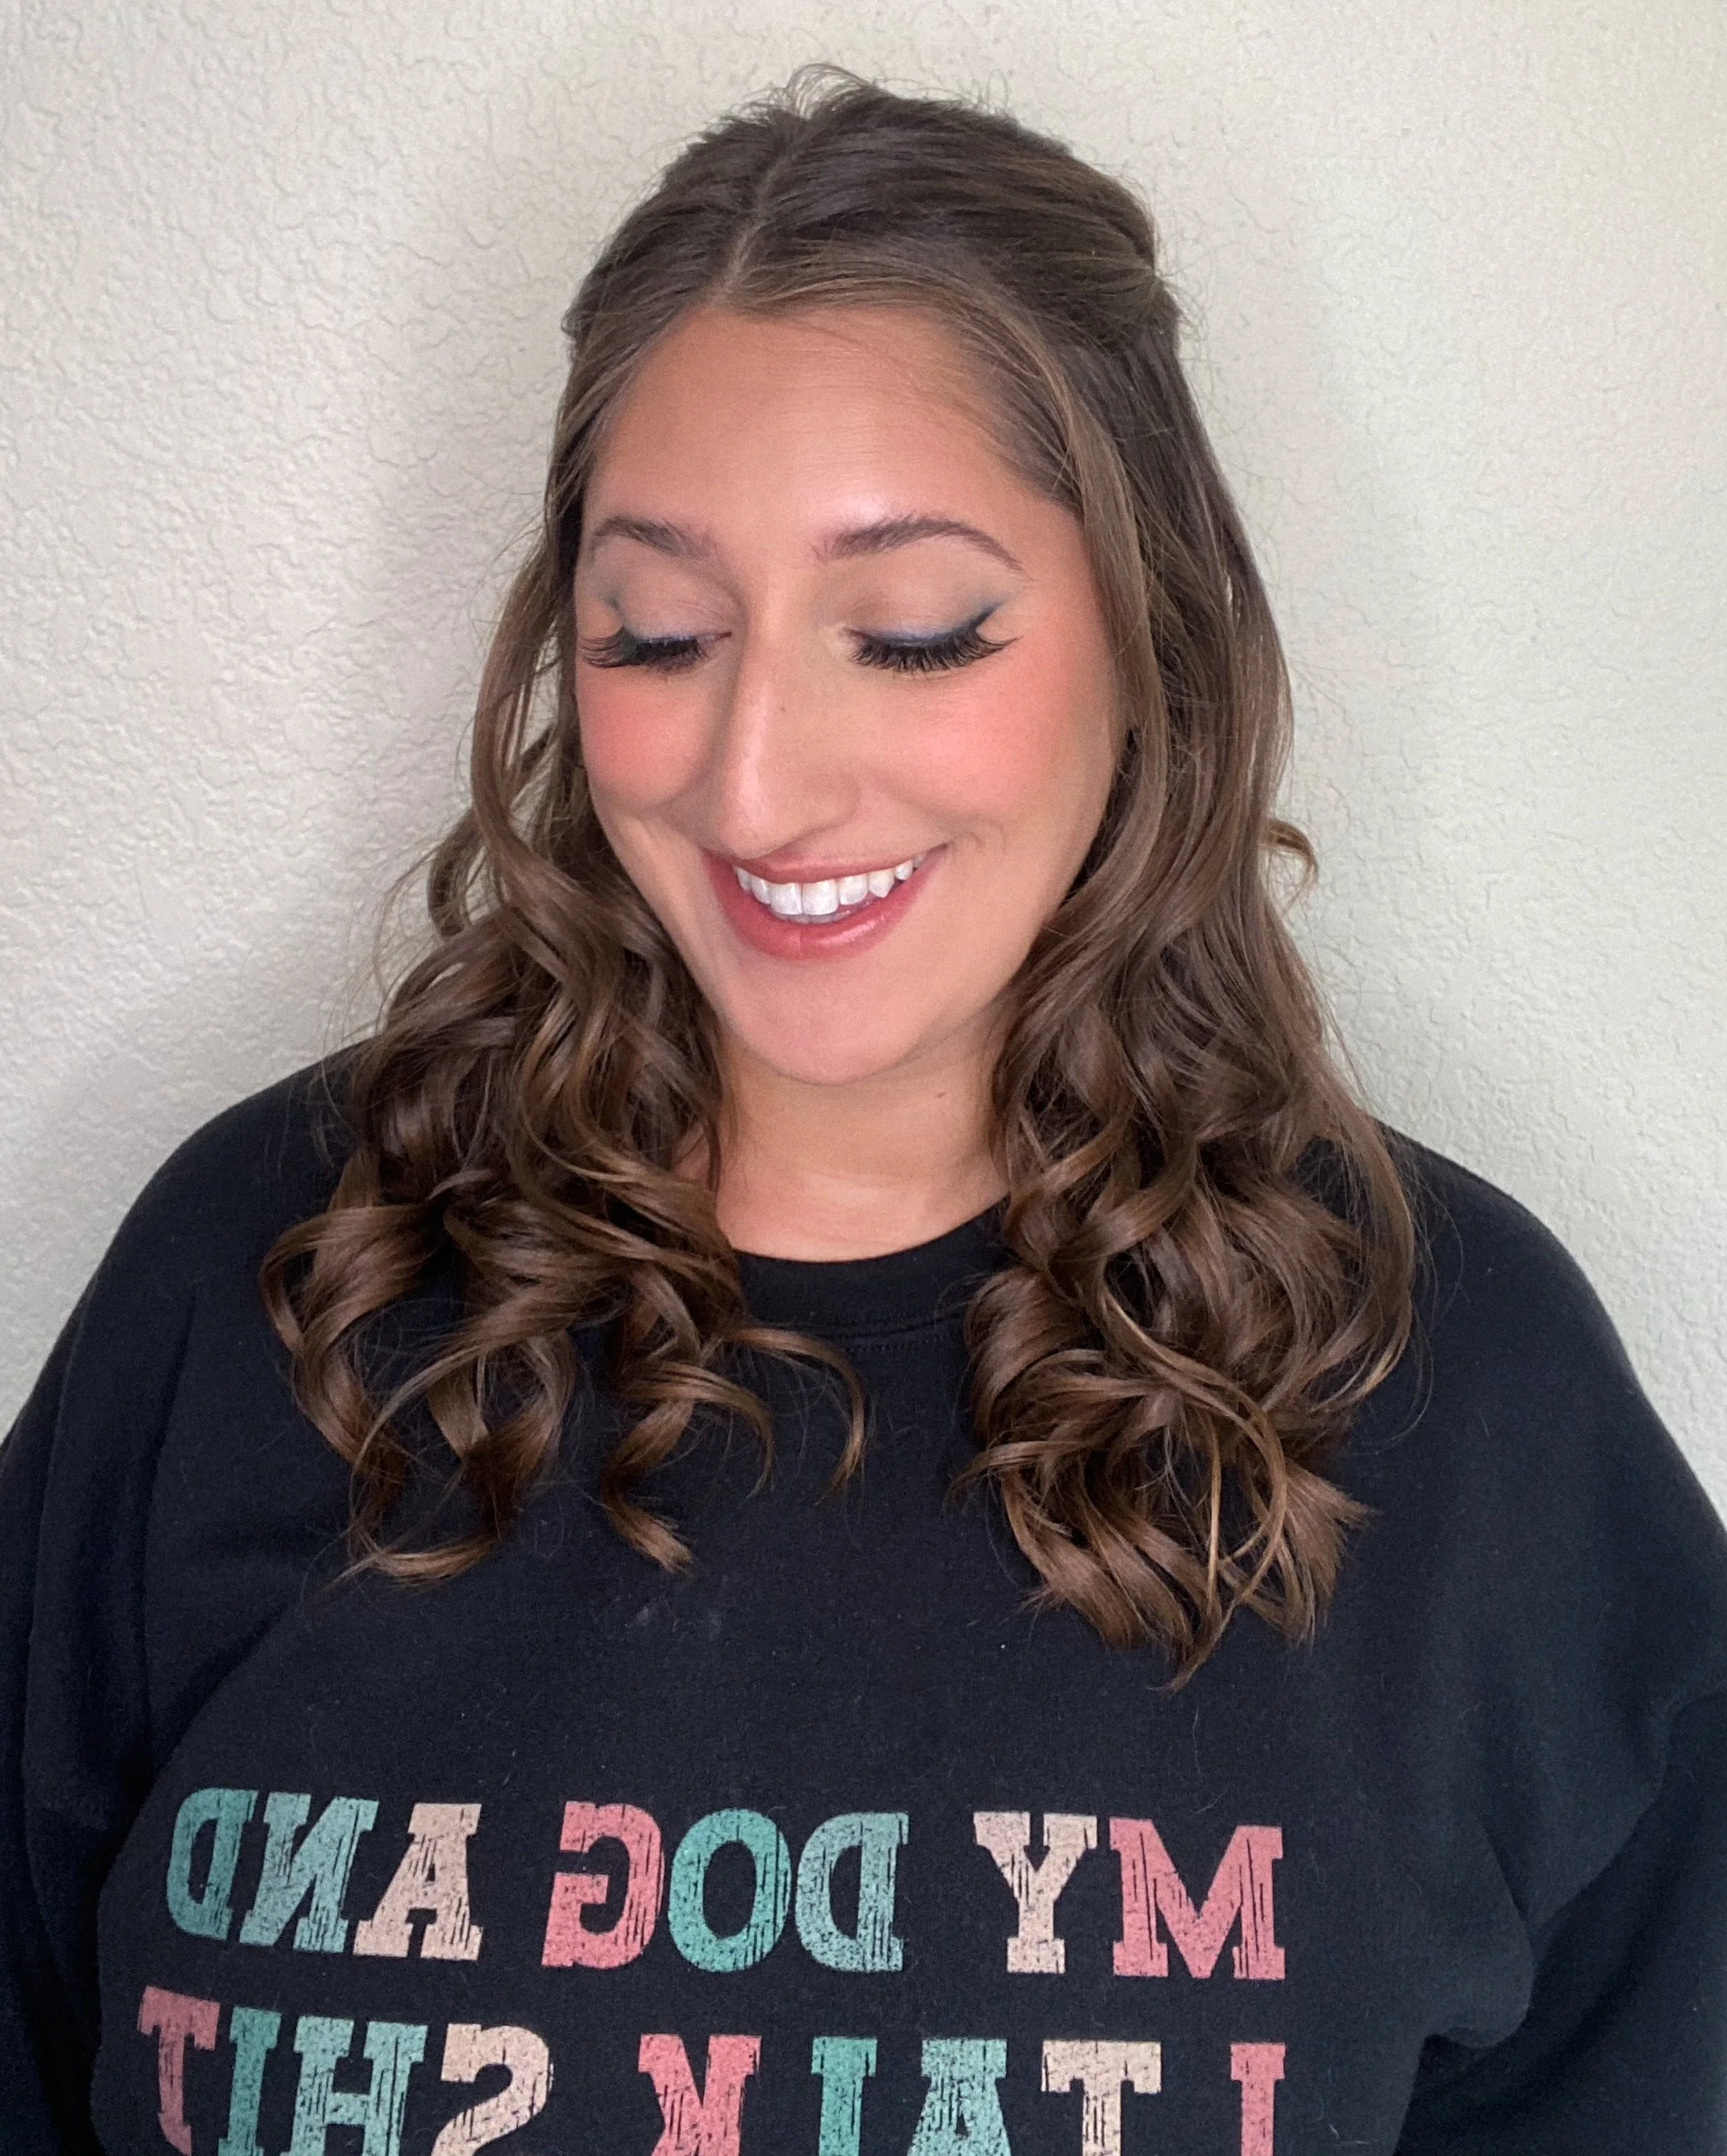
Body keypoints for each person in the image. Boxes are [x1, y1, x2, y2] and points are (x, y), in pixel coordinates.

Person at [3, 62, 1724, 2156]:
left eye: (909, 636)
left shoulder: (1464, 1396)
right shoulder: (261, 1276)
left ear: (1148, 640)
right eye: (658, 633)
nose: (750, 784)